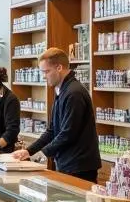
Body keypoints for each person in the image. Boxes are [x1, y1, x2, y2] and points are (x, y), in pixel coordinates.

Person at [10, 46, 101, 183]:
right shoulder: (61, 90)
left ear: (59, 67)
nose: (44, 76)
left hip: (79, 167)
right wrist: (29, 151)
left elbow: (68, 134)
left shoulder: (74, 93)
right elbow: (52, 130)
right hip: (67, 163)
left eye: (46, 71)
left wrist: (42, 154)